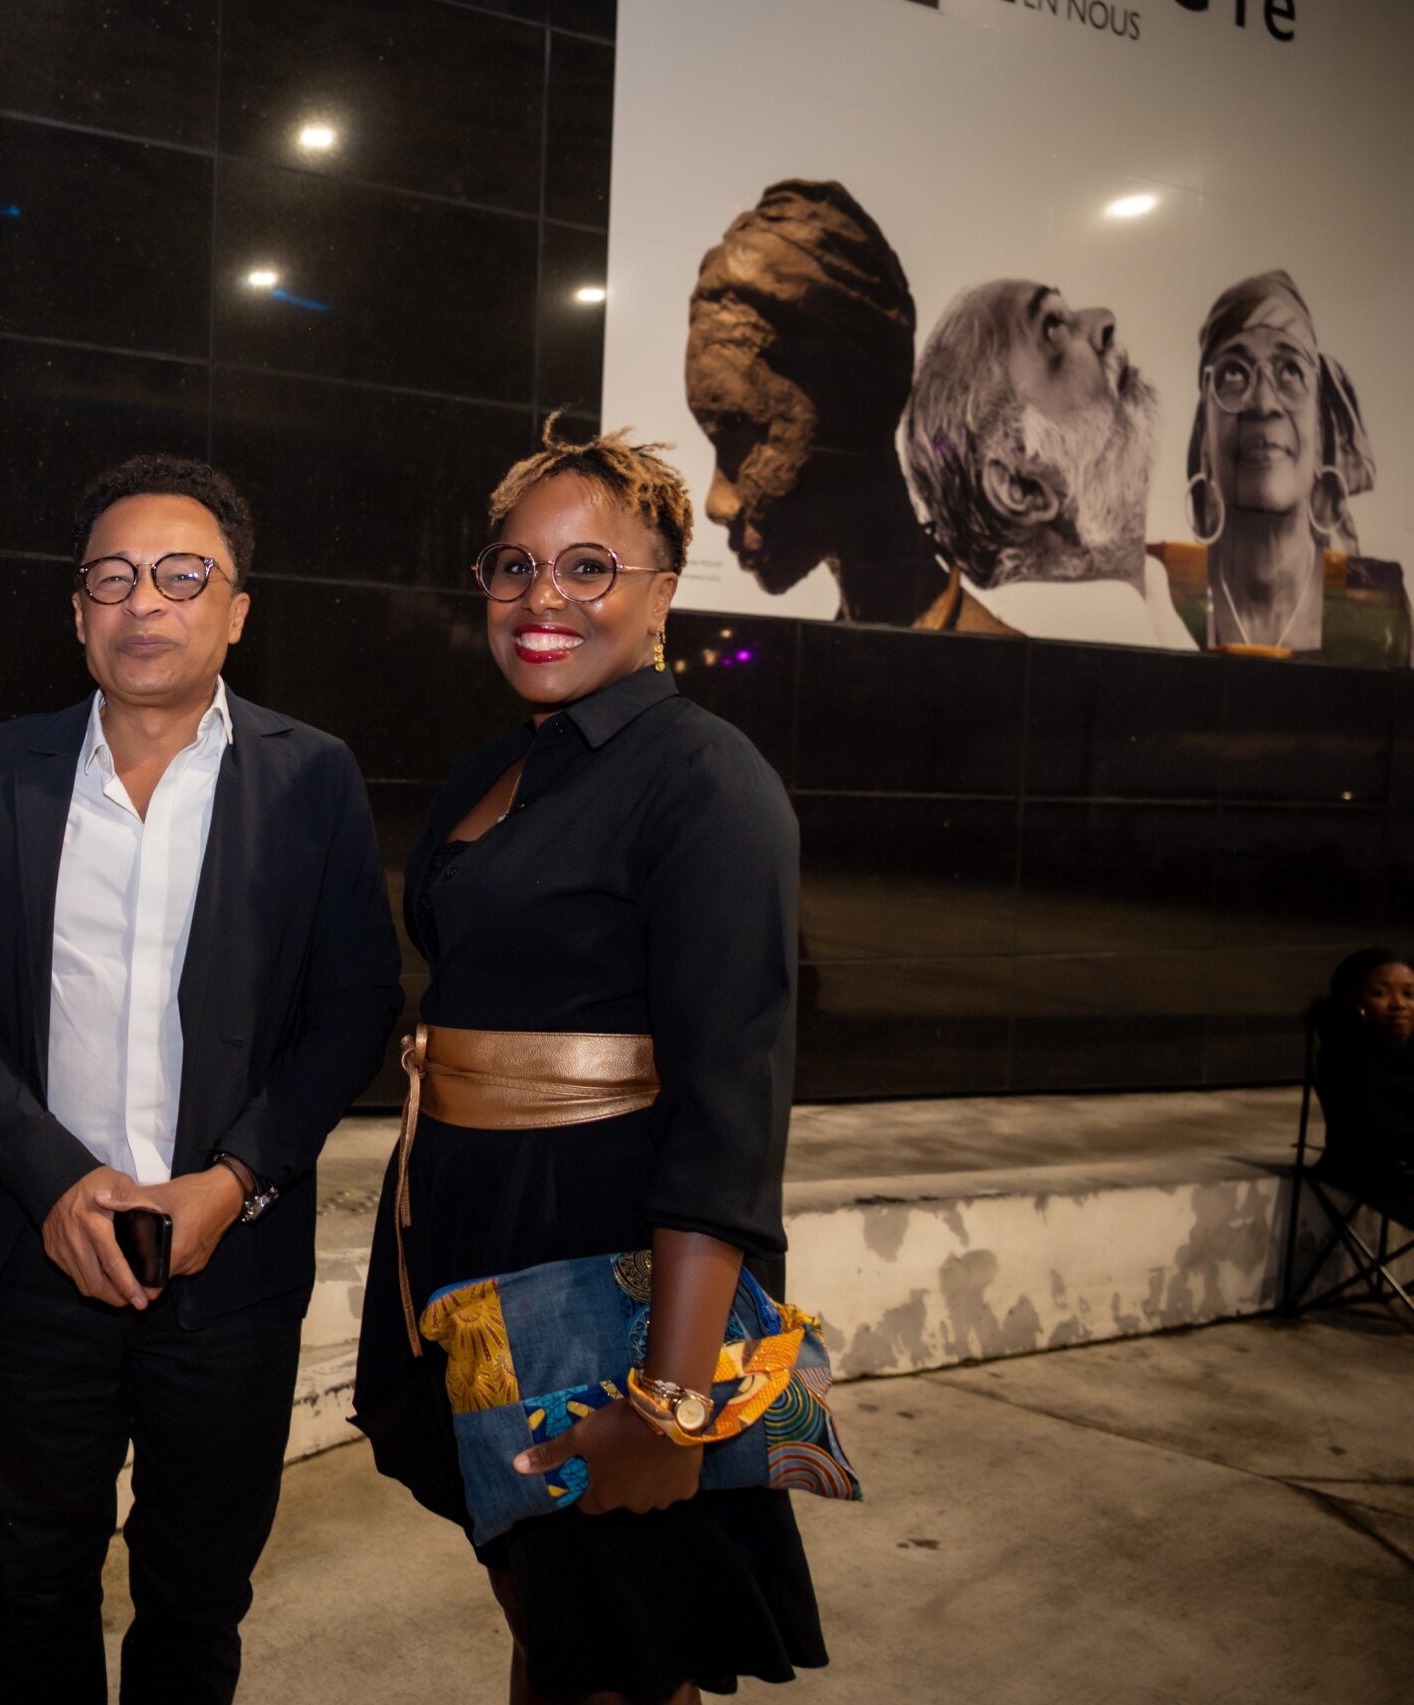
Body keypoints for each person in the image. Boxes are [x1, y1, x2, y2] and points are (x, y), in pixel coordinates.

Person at [0, 454, 402, 1704]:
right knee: (37, 1581)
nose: (145, 604)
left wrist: (234, 1181)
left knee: (195, 1592)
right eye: (114, 578)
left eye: (183, 576)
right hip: (36, 1256)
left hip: (229, 1262)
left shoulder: (310, 777)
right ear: (77, 612)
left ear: (235, 611)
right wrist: (55, 1183)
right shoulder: (1, 771)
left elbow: (354, 1006)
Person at [352, 420, 824, 1705]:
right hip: (467, 1239)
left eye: (586, 567)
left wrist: (673, 1398)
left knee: (622, 1636)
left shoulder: (706, 780)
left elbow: (730, 1102)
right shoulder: (498, 766)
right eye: (513, 566)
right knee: (552, 1612)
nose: (540, 597)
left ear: (661, 594)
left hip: (600, 1266)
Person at [683, 180, 971, 629]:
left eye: (748, 432)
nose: (717, 504)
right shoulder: (845, 644)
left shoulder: (987, 663)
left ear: (858, 410)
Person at [902, 278, 1191, 650]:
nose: (1103, 319)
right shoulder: (1019, 671)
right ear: (1022, 489)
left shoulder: (1152, 608)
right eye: (1051, 328)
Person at [1186, 272, 1379, 656]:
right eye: (1233, 373)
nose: (1263, 403)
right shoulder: (1168, 600)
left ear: (1321, 431)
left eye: (1290, 371)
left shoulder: (1376, 611)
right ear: (1205, 435)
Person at [1307, 947, 1414, 1195]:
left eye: (1409, 994)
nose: (1399, 1004)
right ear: (1353, 1000)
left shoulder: (1399, 1048)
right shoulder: (1353, 1051)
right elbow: (1379, 1131)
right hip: (1379, 1171)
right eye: (1379, 993)